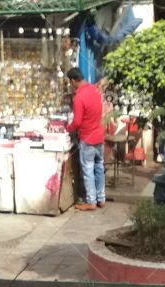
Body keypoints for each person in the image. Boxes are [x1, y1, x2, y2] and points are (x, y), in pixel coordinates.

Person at [65, 66, 105, 211]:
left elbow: (77, 122)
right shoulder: (95, 90)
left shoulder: (79, 97)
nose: (71, 86)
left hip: (87, 138)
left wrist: (68, 128)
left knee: (88, 170)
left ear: (73, 80)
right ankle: (101, 199)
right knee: (99, 167)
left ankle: (91, 201)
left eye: (70, 83)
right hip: (99, 135)